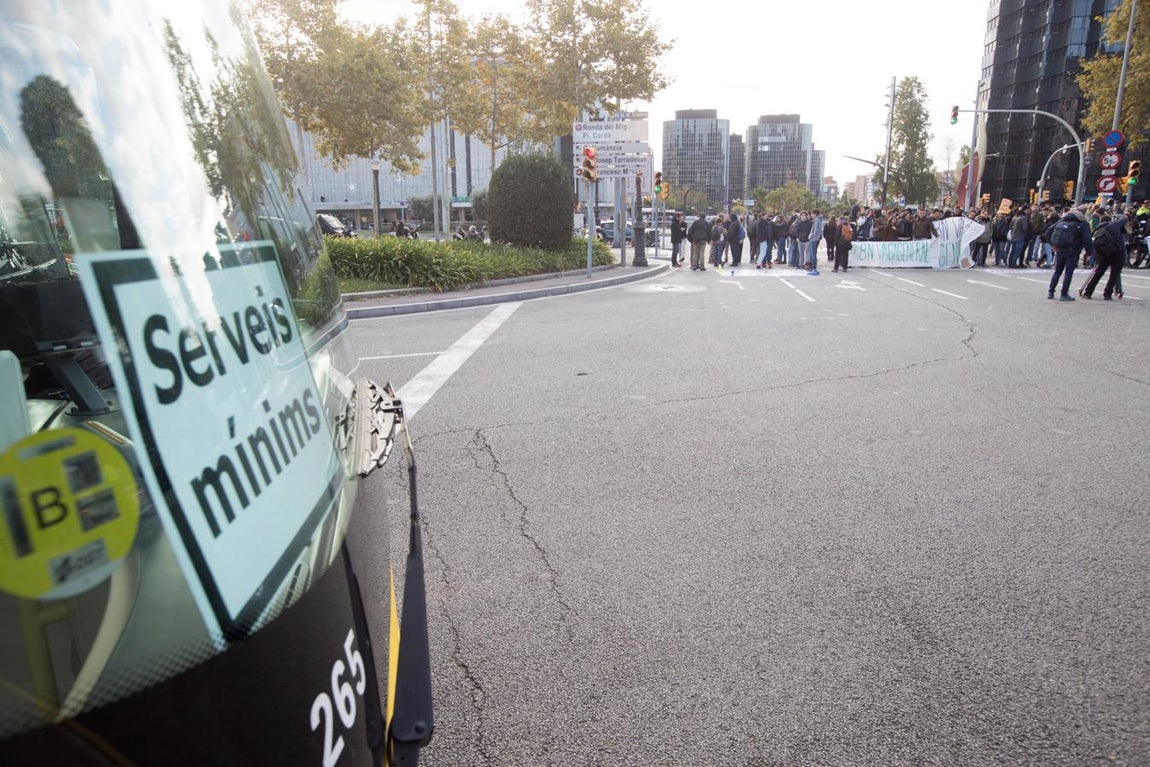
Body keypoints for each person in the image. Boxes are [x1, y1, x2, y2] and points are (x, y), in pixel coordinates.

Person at [1045, 206, 1094, 301]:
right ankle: (1064, 293)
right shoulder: (1083, 223)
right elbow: (1087, 239)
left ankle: (1051, 292)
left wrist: (1053, 244)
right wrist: (1089, 253)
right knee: (1068, 272)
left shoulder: (1061, 221)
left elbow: (1049, 231)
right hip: (1073, 250)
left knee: (1057, 271)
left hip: (1060, 249)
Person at [1077, 213, 1129, 300]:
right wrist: (1117, 215)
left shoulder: (1098, 229)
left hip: (1103, 253)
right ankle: (1107, 294)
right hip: (1117, 252)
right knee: (1114, 274)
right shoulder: (1113, 225)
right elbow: (1124, 218)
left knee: (1098, 273)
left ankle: (1088, 292)